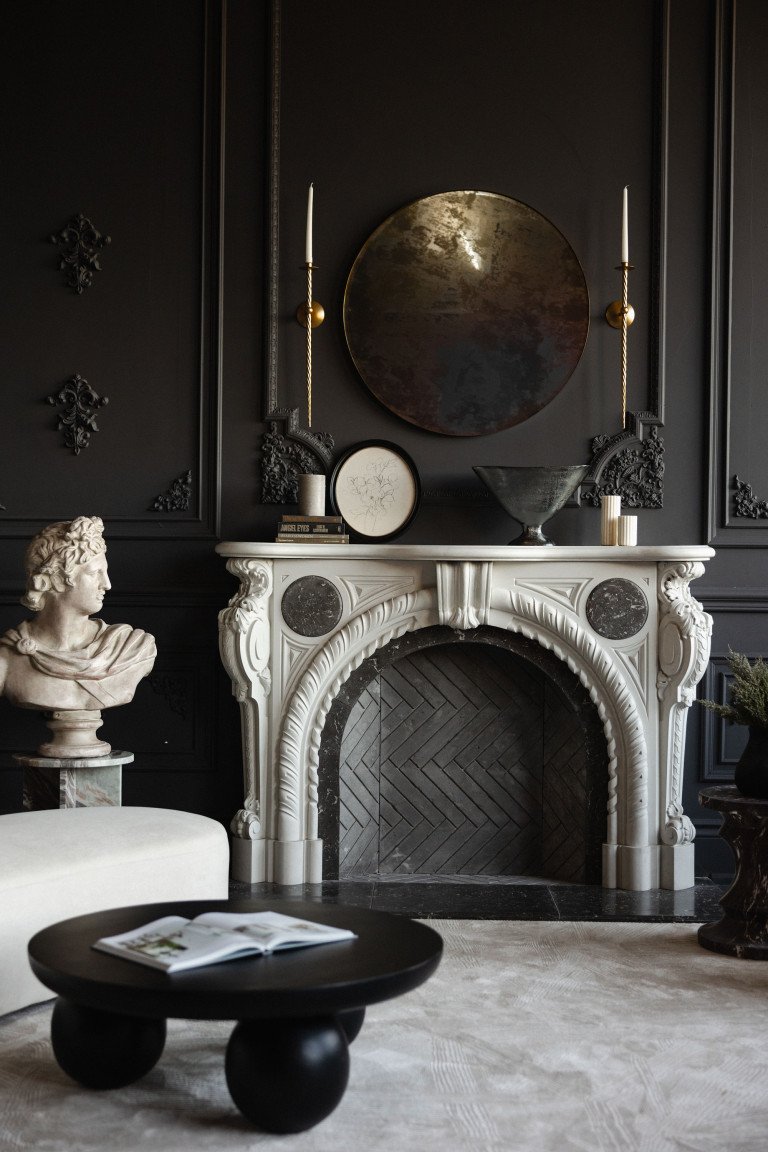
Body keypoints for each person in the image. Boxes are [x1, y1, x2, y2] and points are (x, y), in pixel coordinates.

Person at [0, 516, 156, 712]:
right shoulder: (6, 660)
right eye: (94, 573)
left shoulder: (132, 648)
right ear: (55, 579)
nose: (107, 584)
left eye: (105, 573)